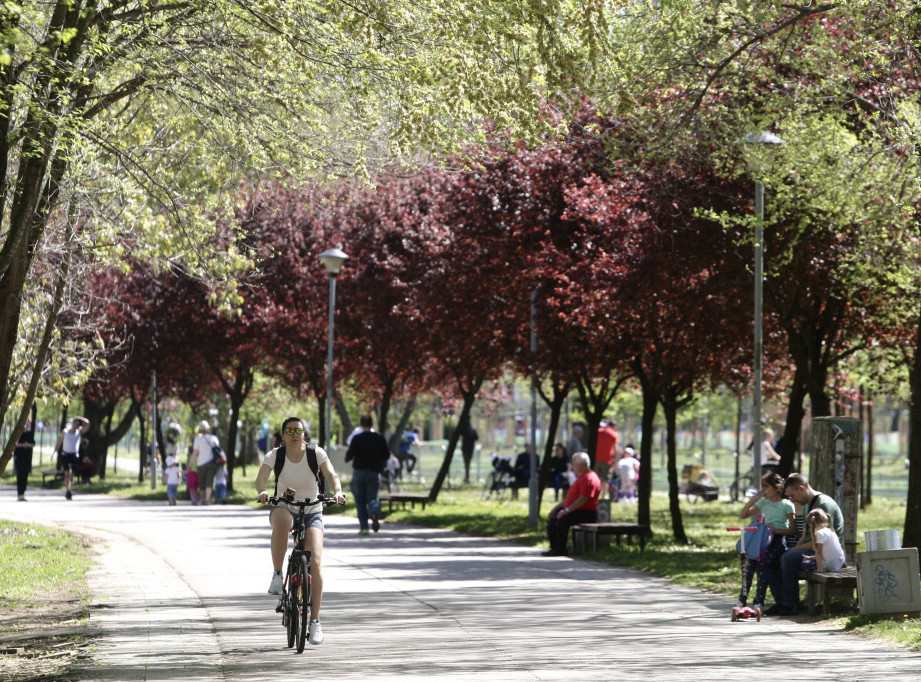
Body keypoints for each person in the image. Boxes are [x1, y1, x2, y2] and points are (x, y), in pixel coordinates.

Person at [255, 417, 345, 646]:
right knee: (283, 522)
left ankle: (314, 621)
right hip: (284, 505)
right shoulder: (275, 455)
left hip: (313, 509)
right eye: (290, 430)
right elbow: (261, 479)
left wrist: (338, 491)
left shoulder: (317, 454)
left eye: (299, 430)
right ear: (283, 434)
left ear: (305, 434)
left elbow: (332, 475)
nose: (295, 434)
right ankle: (277, 575)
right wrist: (263, 492)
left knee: (315, 562)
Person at [766, 473, 844, 616]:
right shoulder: (808, 504)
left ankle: (790, 605)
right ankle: (781, 601)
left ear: (801, 488)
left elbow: (818, 542)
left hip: (825, 554)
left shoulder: (822, 504)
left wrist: (792, 550)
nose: (792, 500)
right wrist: (792, 548)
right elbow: (805, 535)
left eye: (792, 496)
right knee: (770, 561)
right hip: (814, 548)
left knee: (788, 558)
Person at [735, 472, 796, 613]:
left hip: (776, 541)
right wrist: (753, 500)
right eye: (762, 487)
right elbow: (743, 515)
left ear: (777, 487)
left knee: (762, 568)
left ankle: (759, 601)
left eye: (766, 486)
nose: (763, 490)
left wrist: (777, 530)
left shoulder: (786, 505)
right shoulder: (763, 502)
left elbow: (792, 530)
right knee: (750, 568)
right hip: (762, 540)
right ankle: (742, 599)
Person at [544, 452, 601, 557]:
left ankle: (560, 549)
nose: (572, 468)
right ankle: (554, 547)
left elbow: (583, 499)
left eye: (574, 465)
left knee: (563, 519)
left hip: (586, 512)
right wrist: (556, 509)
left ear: (581, 466)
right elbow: (569, 498)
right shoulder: (581, 477)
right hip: (575, 509)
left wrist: (566, 511)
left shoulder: (589, 478)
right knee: (553, 517)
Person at [345, 415, 390, 534]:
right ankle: (374, 511)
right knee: (372, 497)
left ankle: (364, 528)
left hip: (359, 472)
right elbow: (386, 455)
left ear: (361, 424)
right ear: (372, 424)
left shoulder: (357, 438)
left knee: (360, 501)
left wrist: (348, 457)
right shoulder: (379, 438)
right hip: (374, 473)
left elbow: (349, 456)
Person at [53, 417, 90, 500]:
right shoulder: (65, 431)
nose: (75, 425)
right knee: (67, 473)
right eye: (75, 423)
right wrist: (54, 452)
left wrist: (79, 418)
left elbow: (88, 424)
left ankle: (69, 490)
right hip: (65, 455)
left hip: (74, 455)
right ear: (72, 423)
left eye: (77, 424)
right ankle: (67, 490)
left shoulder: (78, 432)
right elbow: (59, 442)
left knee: (71, 474)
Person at [801, 509, 846, 574]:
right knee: (808, 560)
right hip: (838, 564)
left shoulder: (820, 533)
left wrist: (820, 569)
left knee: (804, 564)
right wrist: (810, 557)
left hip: (829, 566)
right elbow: (827, 554)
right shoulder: (831, 531)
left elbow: (819, 553)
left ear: (811, 523)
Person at [192, 420, 221, 505]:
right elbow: (218, 450)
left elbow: (195, 453)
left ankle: (203, 498)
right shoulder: (213, 438)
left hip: (201, 463)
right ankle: (207, 499)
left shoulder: (197, 440)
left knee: (202, 482)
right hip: (212, 462)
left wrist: (190, 464)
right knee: (209, 481)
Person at [595, 419, 618, 500]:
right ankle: (603, 497)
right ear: (614, 427)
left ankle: (595, 496)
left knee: (596, 479)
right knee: (605, 480)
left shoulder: (598, 431)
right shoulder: (613, 434)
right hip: (607, 461)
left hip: (596, 460)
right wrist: (615, 462)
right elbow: (616, 450)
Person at [13, 421, 35, 501]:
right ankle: (19, 493)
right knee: (20, 475)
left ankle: (23, 493)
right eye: (26, 424)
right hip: (19, 458)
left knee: (25, 475)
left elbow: (33, 443)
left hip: (27, 458)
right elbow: (14, 444)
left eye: (28, 424)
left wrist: (29, 445)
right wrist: (23, 445)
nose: (27, 425)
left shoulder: (30, 434)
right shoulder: (18, 434)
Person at [460, 419, 478, 485]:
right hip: (470, 449)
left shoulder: (464, 430)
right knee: (468, 463)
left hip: (465, 449)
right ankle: (467, 476)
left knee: (466, 463)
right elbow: (476, 438)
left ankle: (467, 476)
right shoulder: (473, 430)